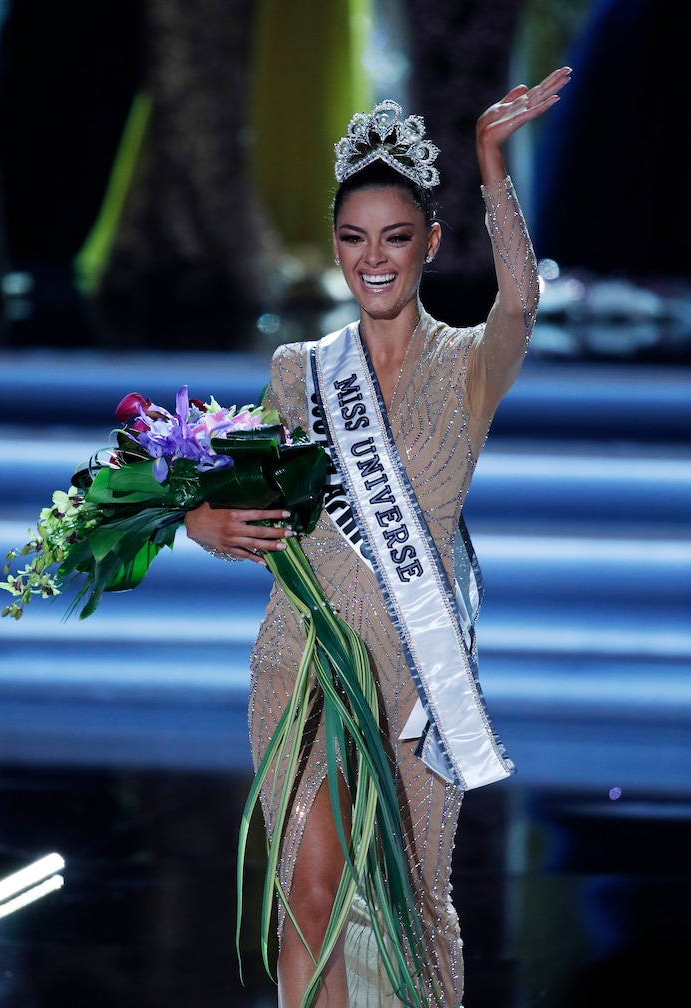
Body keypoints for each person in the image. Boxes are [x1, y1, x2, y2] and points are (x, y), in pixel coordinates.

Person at [185, 65, 572, 1008]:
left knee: (414, 909)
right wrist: (200, 518)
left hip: (413, 677)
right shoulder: (299, 370)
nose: (374, 258)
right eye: (355, 239)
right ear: (335, 246)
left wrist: (492, 161)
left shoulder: (469, 369)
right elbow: (234, 492)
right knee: (308, 898)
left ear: (431, 242)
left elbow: (519, 306)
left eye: (396, 237)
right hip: (300, 659)